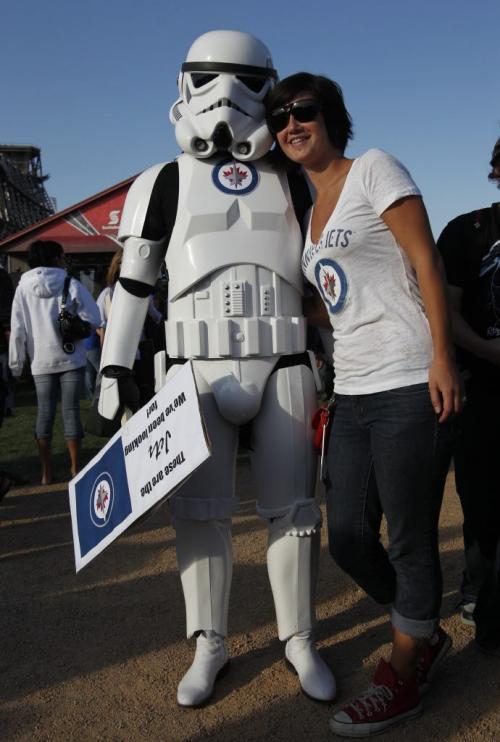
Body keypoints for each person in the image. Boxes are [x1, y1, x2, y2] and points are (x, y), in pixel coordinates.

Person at [97, 31, 336, 707]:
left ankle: (299, 638)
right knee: (199, 512)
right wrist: (116, 368)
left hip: (285, 354)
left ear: (271, 85)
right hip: (193, 367)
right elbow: (136, 286)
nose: (224, 96)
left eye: (242, 79)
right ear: (184, 85)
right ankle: (210, 642)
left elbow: (329, 274)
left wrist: (342, 355)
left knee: (295, 512)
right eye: (208, 78)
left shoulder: (296, 178)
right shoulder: (163, 181)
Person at [265, 73, 462, 736]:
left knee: (408, 536)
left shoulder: (374, 168)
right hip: (349, 389)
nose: (291, 124)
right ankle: (423, 625)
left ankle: (405, 668)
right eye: (279, 116)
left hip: (409, 378)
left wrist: (442, 356)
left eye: (303, 111)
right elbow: (333, 301)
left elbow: (424, 261)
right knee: (346, 535)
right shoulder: (307, 216)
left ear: (331, 116)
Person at [436, 137, 500, 655]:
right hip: (482, 386)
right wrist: (485, 349)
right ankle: (478, 589)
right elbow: (444, 312)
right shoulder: (467, 231)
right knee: (481, 502)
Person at [9, 240, 101, 484]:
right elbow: (94, 317)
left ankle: (46, 473)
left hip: (40, 360)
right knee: (71, 413)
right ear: (56, 257)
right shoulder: (70, 283)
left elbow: (17, 329)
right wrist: (78, 326)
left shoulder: (22, 288)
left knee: (44, 413)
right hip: (71, 357)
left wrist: (16, 365)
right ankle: (74, 468)